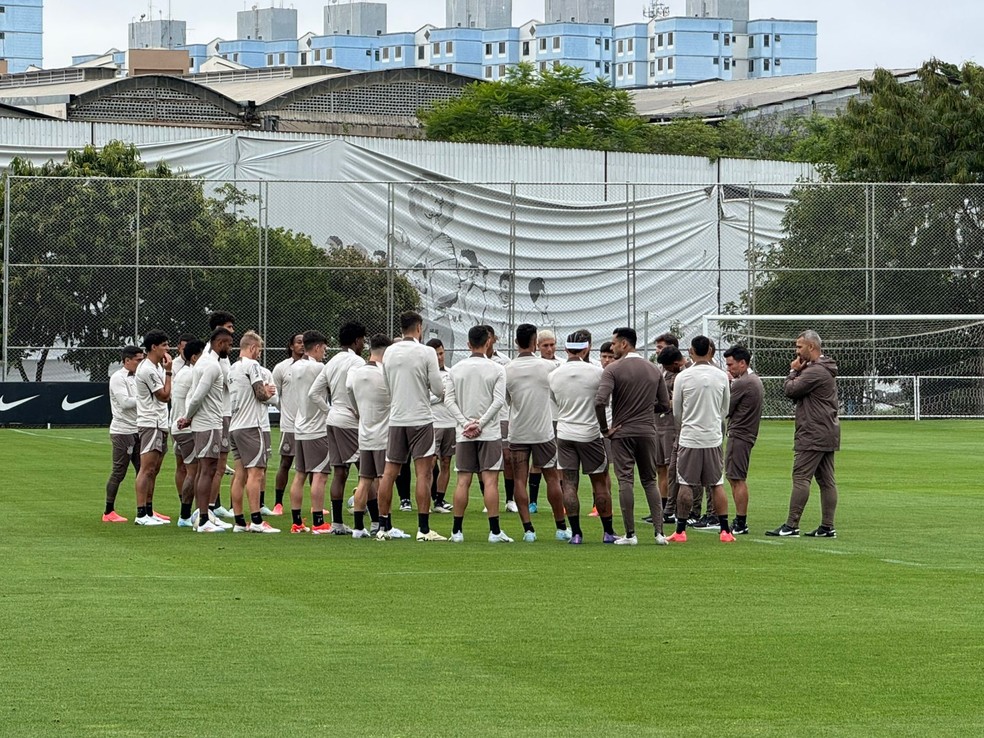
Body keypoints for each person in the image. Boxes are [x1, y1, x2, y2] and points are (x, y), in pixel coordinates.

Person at [594, 327, 669, 546]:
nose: (612, 347)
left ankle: (630, 534)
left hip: (622, 432)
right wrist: (645, 410)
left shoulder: (613, 369)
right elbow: (665, 404)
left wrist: (604, 428)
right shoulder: (654, 369)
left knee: (625, 480)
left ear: (624, 344)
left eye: (614, 344)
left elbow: (600, 401)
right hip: (647, 431)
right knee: (650, 480)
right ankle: (659, 533)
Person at [376, 311, 446, 542]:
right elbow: (438, 388)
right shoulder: (426, 352)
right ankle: (423, 529)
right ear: (420, 328)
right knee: (423, 474)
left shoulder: (389, 353)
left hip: (396, 419)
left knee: (389, 473)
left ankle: (383, 526)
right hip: (420, 419)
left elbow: (387, 387)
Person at [767, 330, 840, 538]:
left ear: (811, 347)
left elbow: (791, 390)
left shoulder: (815, 371)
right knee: (826, 480)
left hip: (813, 431)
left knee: (801, 477)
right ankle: (827, 527)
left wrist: (793, 371)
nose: (796, 351)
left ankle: (791, 525)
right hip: (827, 430)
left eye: (799, 347)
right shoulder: (823, 368)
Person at [444, 325, 511, 543]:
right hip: (488, 432)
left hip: (466, 433)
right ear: (488, 342)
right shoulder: (496, 369)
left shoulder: (456, 369)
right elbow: (499, 400)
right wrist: (479, 424)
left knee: (463, 480)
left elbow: (449, 400)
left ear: (468, 344)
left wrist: (465, 423)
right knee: (490, 481)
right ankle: (494, 532)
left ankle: (457, 531)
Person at [549, 330, 616, 545]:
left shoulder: (554, 375)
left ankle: (576, 533)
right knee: (600, 483)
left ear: (566, 349)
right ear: (587, 348)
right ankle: (607, 531)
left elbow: (555, 402)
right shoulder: (597, 373)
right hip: (590, 434)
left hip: (565, 433)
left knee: (569, 483)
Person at [667, 336, 734, 544]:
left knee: (685, 483)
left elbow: (676, 410)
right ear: (711, 351)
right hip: (713, 437)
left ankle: (680, 530)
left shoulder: (683, 377)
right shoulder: (722, 376)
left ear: (691, 351)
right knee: (717, 483)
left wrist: (683, 428)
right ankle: (725, 530)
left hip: (690, 437)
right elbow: (725, 408)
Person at [505, 323, 569, 543]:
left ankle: (528, 529)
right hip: (543, 432)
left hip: (518, 431)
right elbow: (558, 394)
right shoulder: (547, 367)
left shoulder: (507, 369)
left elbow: (506, 401)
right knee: (552, 477)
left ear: (516, 342)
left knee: (519, 480)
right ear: (535, 343)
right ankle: (561, 527)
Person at [178, 327, 234, 534]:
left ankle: (203, 517)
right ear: (220, 343)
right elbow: (197, 395)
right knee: (207, 470)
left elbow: (195, 394)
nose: (230, 347)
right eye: (228, 343)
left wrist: (189, 417)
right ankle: (203, 520)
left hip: (205, 423)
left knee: (205, 469)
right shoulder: (211, 366)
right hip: (209, 423)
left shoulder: (202, 363)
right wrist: (188, 417)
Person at [312, 322, 366, 534]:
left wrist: (330, 411)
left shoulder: (332, 361)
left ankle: (336, 523)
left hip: (333, 420)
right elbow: (352, 387)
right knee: (367, 472)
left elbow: (314, 393)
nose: (364, 343)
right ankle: (374, 523)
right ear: (356, 340)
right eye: (363, 339)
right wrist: (355, 409)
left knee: (340, 472)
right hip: (349, 422)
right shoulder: (357, 361)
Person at [228, 331, 279, 533]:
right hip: (251, 426)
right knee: (256, 474)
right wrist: (267, 391)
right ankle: (257, 521)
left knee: (240, 474)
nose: (259, 353)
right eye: (259, 349)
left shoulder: (232, 368)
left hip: (235, 426)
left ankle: (239, 522)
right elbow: (260, 394)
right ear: (252, 348)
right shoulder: (253, 365)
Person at [347, 334, 393, 539]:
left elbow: (350, 393)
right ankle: (385, 525)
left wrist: (359, 412)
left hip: (364, 433)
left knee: (364, 480)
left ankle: (358, 527)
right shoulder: (386, 374)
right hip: (383, 435)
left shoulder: (356, 373)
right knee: (384, 479)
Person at [290, 330, 332, 534]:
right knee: (320, 475)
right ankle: (318, 521)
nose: (324, 352)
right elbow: (315, 394)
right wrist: (329, 411)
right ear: (316, 347)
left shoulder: (295, 367)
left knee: (300, 474)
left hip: (300, 426)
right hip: (317, 428)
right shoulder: (318, 368)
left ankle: (297, 521)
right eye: (324, 348)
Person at [133, 331, 173, 526]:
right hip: (150, 423)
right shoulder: (148, 369)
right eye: (164, 345)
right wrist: (169, 372)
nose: (167, 349)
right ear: (154, 347)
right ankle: (141, 514)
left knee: (154, 469)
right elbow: (164, 395)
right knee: (146, 468)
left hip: (160, 423)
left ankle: (149, 510)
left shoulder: (156, 367)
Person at [723, 345, 764, 536]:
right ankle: (740, 521)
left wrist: (728, 385)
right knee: (736, 477)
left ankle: (740, 522)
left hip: (739, 434)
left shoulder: (742, 383)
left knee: (736, 478)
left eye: (731, 365)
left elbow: (725, 409)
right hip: (747, 434)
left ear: (742, 363)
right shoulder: (755, 380)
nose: (728, 368)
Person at [104, 345, 144, 522]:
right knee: (119, 471)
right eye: (138, 360)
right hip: (123, 430)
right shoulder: (118, 378)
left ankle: (145, 510)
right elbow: (125, 403)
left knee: (144, 470)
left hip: (139, 428)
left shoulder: (140, 376)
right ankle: (108, 511)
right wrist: (147, 398)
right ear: (127, 361)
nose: (140, 363)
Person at [483, 325, 517, 513]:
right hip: (480, 416)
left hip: (502, 415)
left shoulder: (504, 361)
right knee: (485, 458)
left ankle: (509, 499)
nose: (488, 341)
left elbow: (510, 390)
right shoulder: (472, 362)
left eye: (490, 337)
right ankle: (487, 499)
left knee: (507, 456)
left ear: (494, 339)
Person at [270, 332, 305, 515]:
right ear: (291, 346)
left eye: (304, 342)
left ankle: (317, 505)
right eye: (298, 342)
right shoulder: (282, 368)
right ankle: (278, 503)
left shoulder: (315, 367)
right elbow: (275, 394)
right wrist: (284, 410)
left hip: (310, 426)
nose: (302, 345)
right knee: (285, 462)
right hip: (290, 425)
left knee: (313, 466)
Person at [206, 311, 236, 520]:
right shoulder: (214, 357)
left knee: (215, 465)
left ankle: (212, 505)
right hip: (219, 414)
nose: (233, 332)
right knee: (217, 464)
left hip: (221, 413)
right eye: (229, 327)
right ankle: (209, 508)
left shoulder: (218, 356)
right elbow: (228, 383)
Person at [172, 339, 205, 528]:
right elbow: (192, 402)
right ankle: (185, 516)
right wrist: (189, 419)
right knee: (194, 472)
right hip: (186, 429)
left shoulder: (183, 372)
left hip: (178, 427)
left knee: (189, 470)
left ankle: (192, 513)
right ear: (194, 357)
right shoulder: (192, 374)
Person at [528, 328, 561, 513]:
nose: (550, 349)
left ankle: (561, 500)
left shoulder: (562, 365)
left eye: (552, 344)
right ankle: (533, 501)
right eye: (545, 345)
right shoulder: (535, 365)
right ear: (537, 346)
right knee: (537, 463)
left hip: (559, 417)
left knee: (559, 462)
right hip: (540, 419)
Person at [656, 346, 687, 525]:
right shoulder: (670, 373)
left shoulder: (687, 373)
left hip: (679, 427)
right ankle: (667, 508)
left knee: (676, 469)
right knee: (664, 467)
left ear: (675, 363)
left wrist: (668, 403)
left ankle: (680, 509)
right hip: (664, 424)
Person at [426, 338, 456, 513]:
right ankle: (426, 501)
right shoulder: (426, 375)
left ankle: (439, 500)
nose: (439, 357)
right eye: (436, 354)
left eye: (441, 353)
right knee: (430, 462)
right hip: (434, 423)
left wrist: (445, 395)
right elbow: (425, 399)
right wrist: (441, 395)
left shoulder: (452, 373)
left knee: (446, 462)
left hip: (450, 423)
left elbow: (454, 396)